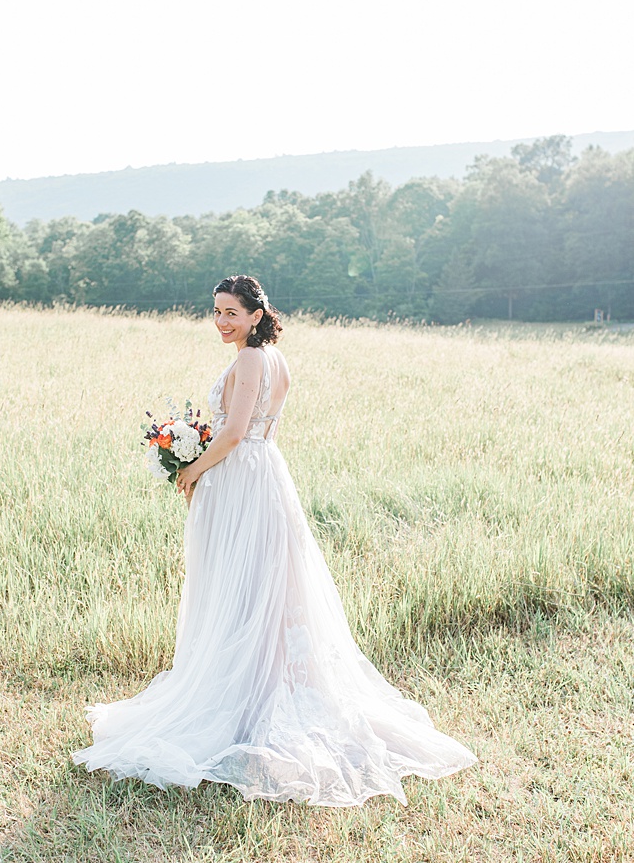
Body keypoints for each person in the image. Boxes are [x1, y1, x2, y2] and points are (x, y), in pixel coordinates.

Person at [72, 275, 476, 806]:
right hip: (265, 475)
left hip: (242, 476)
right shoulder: (276, 361)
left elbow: (235, 432)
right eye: (216, 312)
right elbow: (253, 431)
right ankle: (258, 684)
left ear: (256, 315)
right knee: (268, 587)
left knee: (241, 586)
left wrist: (191, 467)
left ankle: (243, 700)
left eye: (231, 314)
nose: (221, 322)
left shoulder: (248, 361)